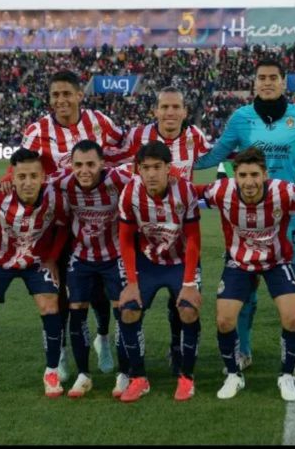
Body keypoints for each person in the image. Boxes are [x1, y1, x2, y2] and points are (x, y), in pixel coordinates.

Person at [193, 58, 295, 378]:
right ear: (255, 82)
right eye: (261, 77)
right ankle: (243, 350)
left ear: (283, 81)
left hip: (287, 219)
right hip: (245, 222)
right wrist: (180, 162)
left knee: (290, 293)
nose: (266, 82)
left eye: (272, 77)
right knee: (245, 297)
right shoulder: (241, 118)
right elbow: (216, 154)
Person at [5, 70, 126, 382]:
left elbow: (123, 149)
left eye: (66, 94)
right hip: (56, 224)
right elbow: (18, 172)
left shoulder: (101, 122)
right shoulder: (36, 132)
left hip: (98, 222)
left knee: (99, 290)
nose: (61, 100)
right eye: (55, 95)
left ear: (79, 95)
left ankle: (102, 337)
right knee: (57, 289)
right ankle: (58, 353)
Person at [197, 147, 295, 401]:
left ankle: (285, 375)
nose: (248, 182)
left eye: (254, 174)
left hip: (276, 261)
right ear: (234, 175)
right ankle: (233, 375)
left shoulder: (283, 192)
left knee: (293, 318)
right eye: (242, 175)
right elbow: (189, 192)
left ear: (265, 174)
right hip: (238, 262)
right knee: (224, 321)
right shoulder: (221, 191)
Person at [109, 86, 211, 377]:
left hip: (180, 231)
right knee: (130, 305)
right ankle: (127, 366)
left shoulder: (195, 137)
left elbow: (214, 158)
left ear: (184, 111)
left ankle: (178, 353)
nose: (169, 112)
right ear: (155, 111)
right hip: (145, 236)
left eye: (175, 107)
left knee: (181, 303)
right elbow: (115, 158)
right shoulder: (138, 136)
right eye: (164, 107)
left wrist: (208, 189)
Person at [0, 148, 69, 401]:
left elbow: (63, 227)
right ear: (12, 177)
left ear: (42, 177)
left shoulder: (57, 198)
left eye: (33, 176)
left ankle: (51, 372)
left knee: (50, 307)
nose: (28, 182)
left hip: (37, 262)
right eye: (22, 176)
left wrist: (52, 258)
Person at [117, 142, 203, 402]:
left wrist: (189, 282)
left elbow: (193, 239)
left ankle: (187, 377)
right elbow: (125, 240)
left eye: (157, 167)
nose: (151, 173)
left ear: (169, 168)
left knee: (188, 309)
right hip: (148, 262)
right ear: (138, 170)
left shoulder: (185, 191)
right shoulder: (130, 192)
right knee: (129, 309)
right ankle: (138, 377)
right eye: (146, 168)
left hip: (179, 261)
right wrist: (131, 282)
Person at [52, 140, 134, 399]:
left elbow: (151, 169)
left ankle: (124, 373)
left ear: (102, 163)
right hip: (82, 257)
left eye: (90, 164)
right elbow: (30, 180)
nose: (84, 170)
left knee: (123, 312)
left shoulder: (118, 178)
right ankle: (83, 374)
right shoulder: (63, 183)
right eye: (78, 164)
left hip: (115, 256)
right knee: (76, 312)